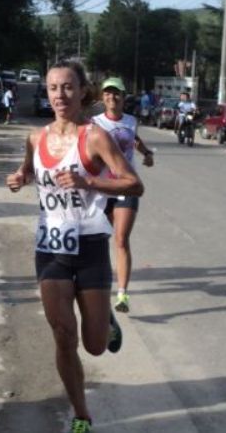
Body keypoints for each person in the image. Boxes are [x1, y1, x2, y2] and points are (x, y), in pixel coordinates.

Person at [5, 61, 143, 433]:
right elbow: (31, 171)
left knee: (95, 345)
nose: (60, 95)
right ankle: (81, 413)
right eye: (52, 88)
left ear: (83, 91)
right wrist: (20, 177)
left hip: (90, 245)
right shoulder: (35, 138)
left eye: (67, 87)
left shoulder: (95, 138)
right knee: (63, 336)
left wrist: (89, 182)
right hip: (50, 248)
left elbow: (134, 184)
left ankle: (105, 322)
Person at [92, 78, 154, 313]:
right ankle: (97, 285)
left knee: (120, 239)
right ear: (102, 97)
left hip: (126, 186)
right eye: (107, 93)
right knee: (98, 240)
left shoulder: (131, 121)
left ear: (123, 97)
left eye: (116, 93)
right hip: (102, 187)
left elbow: (135, 139)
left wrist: (147, 153)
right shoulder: (94, 123)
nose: (112, 97)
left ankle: (122, 295)